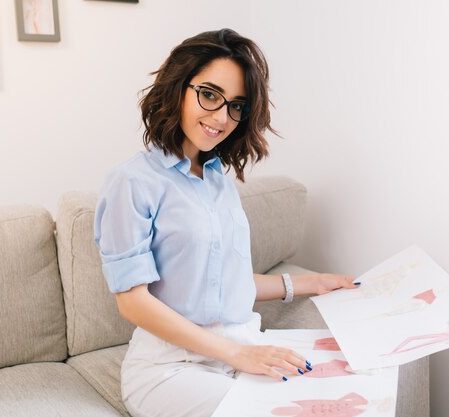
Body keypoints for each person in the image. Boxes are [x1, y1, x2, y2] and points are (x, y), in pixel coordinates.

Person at [93, 28, 360, 417]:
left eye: (236, 105)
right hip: (170, 369)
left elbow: (221, 283)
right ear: (178, 87)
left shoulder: (218, 179)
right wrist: (239, 354)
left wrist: (311, 283)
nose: (221, 117)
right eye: (209, 95)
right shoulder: (131, 182)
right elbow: (134, 303)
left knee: (347, 397)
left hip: (239, 355)